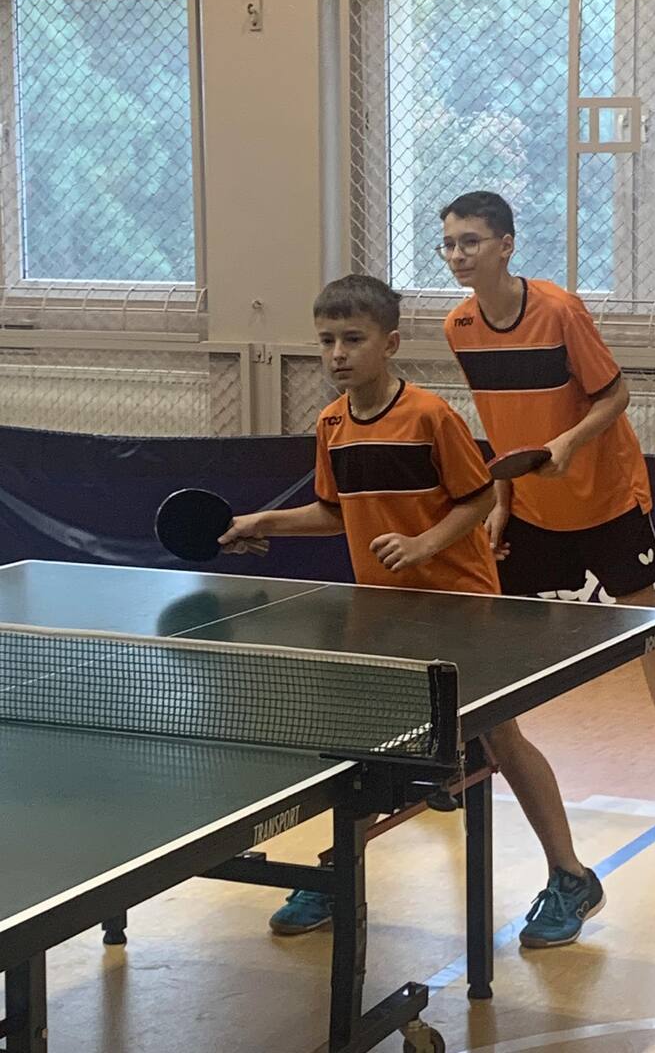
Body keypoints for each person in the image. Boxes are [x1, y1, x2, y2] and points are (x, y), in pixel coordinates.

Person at [219, 273, 606, 949]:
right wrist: (262, 521)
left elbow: (479, 498)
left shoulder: (429, 417)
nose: (338, 354)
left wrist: (423, 544)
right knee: (363, 748)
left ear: (390, 343)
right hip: (384, 611)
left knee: (502, 737)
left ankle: (572, 875)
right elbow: (335, 512)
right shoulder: (332, 425)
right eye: (327, 341)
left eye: (353, 339)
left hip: (461, 608)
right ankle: (338, 872)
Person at [439, 191, 655, 857]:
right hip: (530, 506)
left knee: (649, 633)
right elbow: (498, 419)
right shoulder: (459, 326)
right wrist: (502, 498)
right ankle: (471, 756)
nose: (457, 255)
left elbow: (615, 393)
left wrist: (568, 442)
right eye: (449, 244)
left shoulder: (560, 311)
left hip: (606, 497)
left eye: (470, 241)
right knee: (489, 630)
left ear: (506, 246)